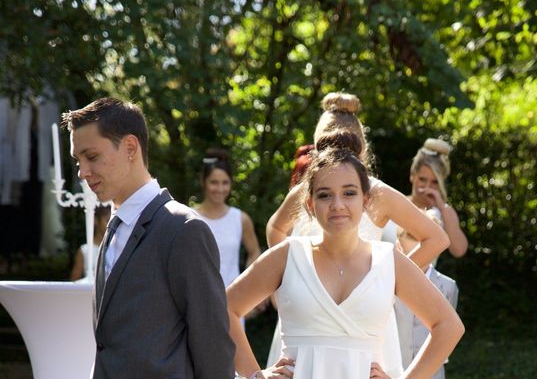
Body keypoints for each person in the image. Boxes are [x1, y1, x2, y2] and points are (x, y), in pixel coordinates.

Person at [227, 146, 465, 379]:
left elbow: (448, 325)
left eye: (349, 192)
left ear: (366, 200)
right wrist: (255, 376)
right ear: (310, 205)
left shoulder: (388, 261)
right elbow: (223, 307)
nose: (337, 205)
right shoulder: (287, 255)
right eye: (324, 195)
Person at [265, 93, 450, 367]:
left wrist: (387, 282)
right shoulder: (307, 190)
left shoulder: (377, 194)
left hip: (361, 320)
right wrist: (281, 287)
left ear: (359, 149)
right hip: (306, 319)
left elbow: (436, 238)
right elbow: (275, 227)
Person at [61, 97, 234, 379]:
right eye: (77, 160)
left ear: (130, 147)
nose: (82, 172)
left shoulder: (183, 229)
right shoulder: (114, 227)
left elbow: (212, 345)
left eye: (91, 157)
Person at [394, 138, 468, 377]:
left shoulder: (442, 212)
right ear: (412, 176)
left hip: (426, 291)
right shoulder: (396, 205)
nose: (426, 186)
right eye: (422, 179)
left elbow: (459, 249)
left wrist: (442, 208)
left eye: (434, 182)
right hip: (393, 291)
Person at [195, 148, 266, 319]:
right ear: (203, 182)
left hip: (232, 306)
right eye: (214, 182)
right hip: (197, 305)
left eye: (225, 182)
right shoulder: (189, 218)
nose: (220, 189)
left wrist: (251, 290)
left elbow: (254, 252)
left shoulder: (240, 219)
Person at [70, 204, 111, 281]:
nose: (110, 224)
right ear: (95, 220)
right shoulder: (85, 250)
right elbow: (74, 282)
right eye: (107, 220)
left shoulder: (115, 247)